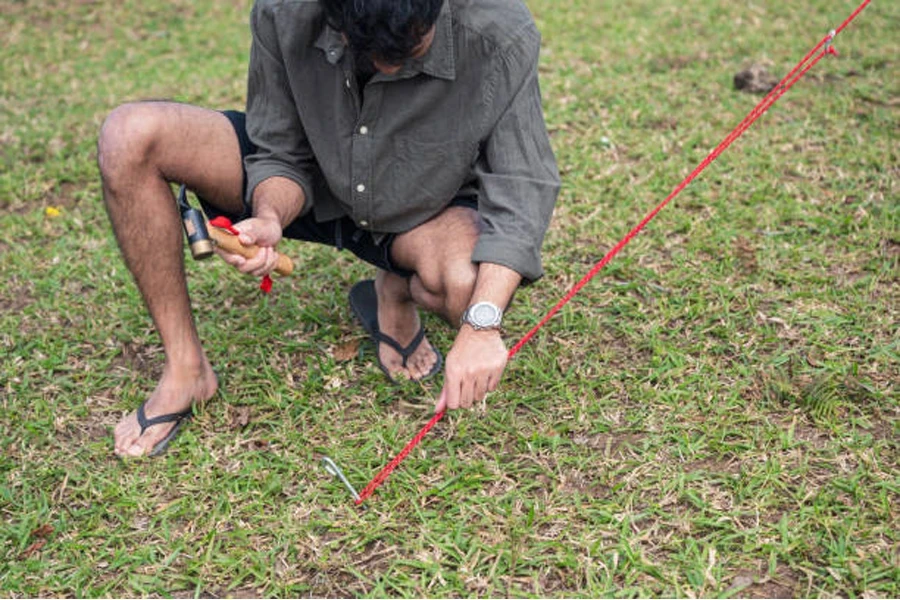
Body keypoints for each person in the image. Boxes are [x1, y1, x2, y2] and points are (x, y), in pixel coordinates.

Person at [98, 0, 560, 458]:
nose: (387, 65)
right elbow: (278, 150)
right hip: (315, 173)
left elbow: (523, 187)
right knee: (129, 135)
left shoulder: (499, 28)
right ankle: (186, 370)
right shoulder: (285, 9)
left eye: (411, 48)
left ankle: (394, 287)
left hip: (424, 203)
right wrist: (270, 216)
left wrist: (482, 327)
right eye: (369, 50)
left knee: (469, 290)